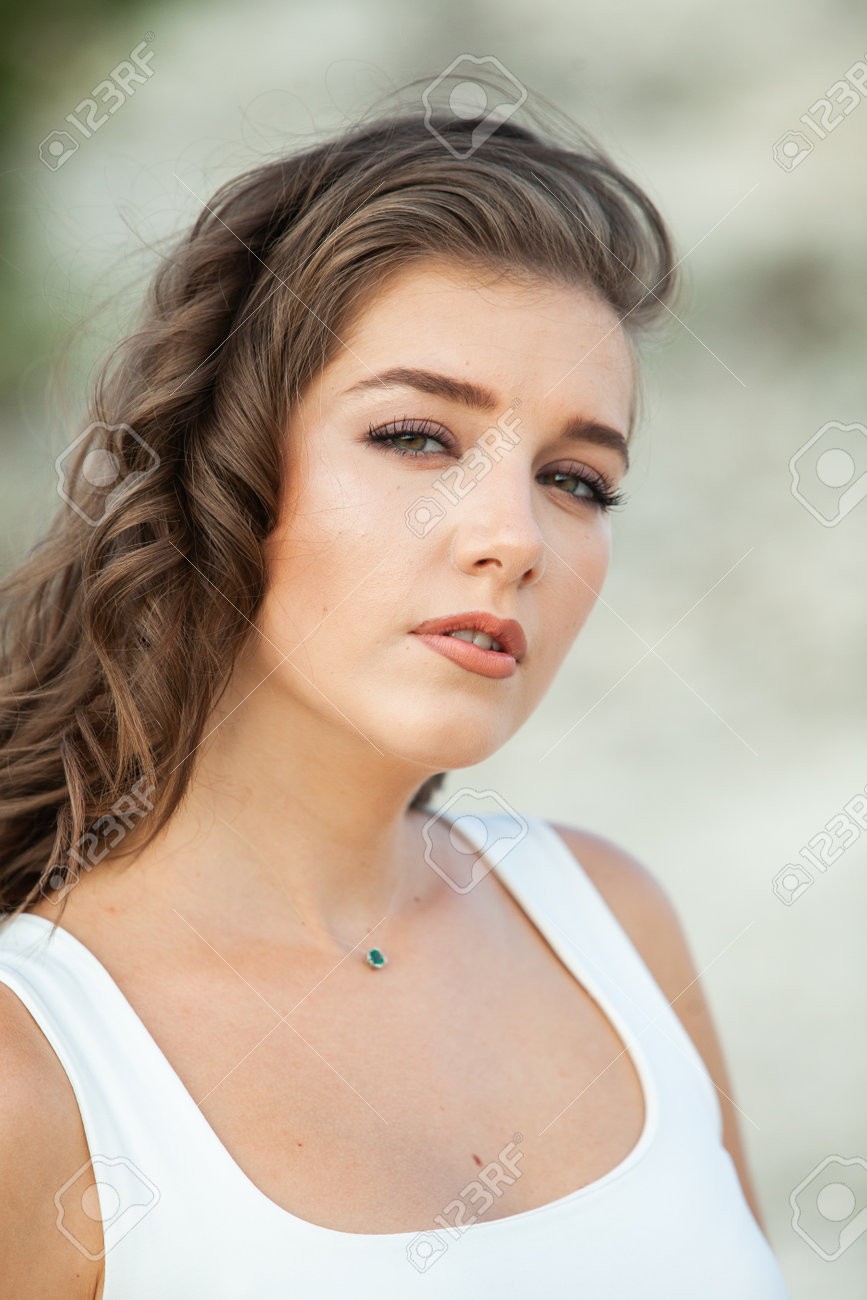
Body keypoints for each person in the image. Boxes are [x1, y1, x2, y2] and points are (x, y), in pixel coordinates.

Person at [0, 91, 792, 1298]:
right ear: (226, 466)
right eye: (418, 437)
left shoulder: (611, 923)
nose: (513, 537)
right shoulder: (39, 1070)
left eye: (577, 479)